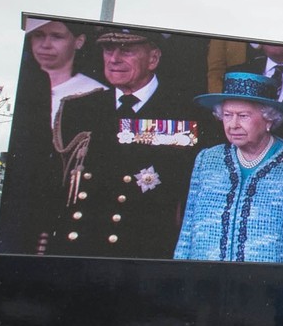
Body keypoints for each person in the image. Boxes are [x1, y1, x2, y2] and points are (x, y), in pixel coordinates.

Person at [54, 29, 208, 259]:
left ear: (153, 58)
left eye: (127, 51)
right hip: (80, 248)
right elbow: (56, 184)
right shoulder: (78, 110)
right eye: (108, 50)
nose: (114, 59)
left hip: (145, 253)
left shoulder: (188, 112)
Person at [171, 73, 283, 264]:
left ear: (269, 119)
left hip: (272, 287)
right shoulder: (207, 159)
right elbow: (188, 229)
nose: (233, 125)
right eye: (227, 115)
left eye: (243, 116)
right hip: (206, 282)